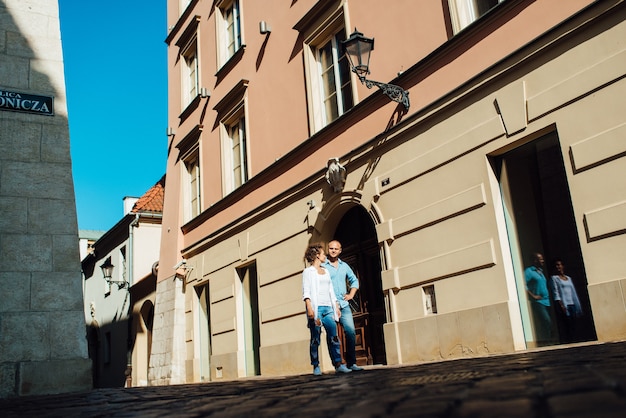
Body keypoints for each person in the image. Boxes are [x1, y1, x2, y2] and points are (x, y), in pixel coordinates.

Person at [302, 243, 352, 375]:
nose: (325, 255)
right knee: (315, 338)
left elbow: (331, 290)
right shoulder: (308, 272)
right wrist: (310, 309)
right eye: (323, 253)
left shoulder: (326, 271)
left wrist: (335, 306)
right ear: (317, 255)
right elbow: (306, 292)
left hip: (328, 308)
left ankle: (338, 364)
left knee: (333, 336)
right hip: (316, 310)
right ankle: (316, 365)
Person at [323, 240, 363, 371]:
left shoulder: (344, 266)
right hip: (330, 305)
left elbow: (354, 280)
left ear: (340, 251)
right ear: (328, 250)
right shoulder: (323, 266)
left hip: (344, 305)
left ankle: (352, 363)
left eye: (336, 249)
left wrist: (351, 295)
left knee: (351, 331)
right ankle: (338, 364)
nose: (333, 250)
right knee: (333, 335)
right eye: (331, 248)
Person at [551, 258, 583, 343]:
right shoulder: (555, 278)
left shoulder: (568, 278)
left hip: (572, 303)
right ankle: (569, 340)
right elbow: (556, 292)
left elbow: (573, 292)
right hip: (564, 304)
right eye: (556, 265)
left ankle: (576, 340)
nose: (558, 267)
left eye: (559, 265)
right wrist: (561, 305)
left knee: (574, 323)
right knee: (567, 323)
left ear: (563, 266)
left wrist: (577, 304)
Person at [524, 252, 552, 346]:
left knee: (547, 323)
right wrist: (533, 296)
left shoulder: (540, 271)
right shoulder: (529, 271)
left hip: (546, 301)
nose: (542, 260)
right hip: (538, 302)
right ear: (535, 260)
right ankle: (545, 342)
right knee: (546, 320)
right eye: (540, 259)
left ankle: (546, 341)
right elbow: (523, 285)